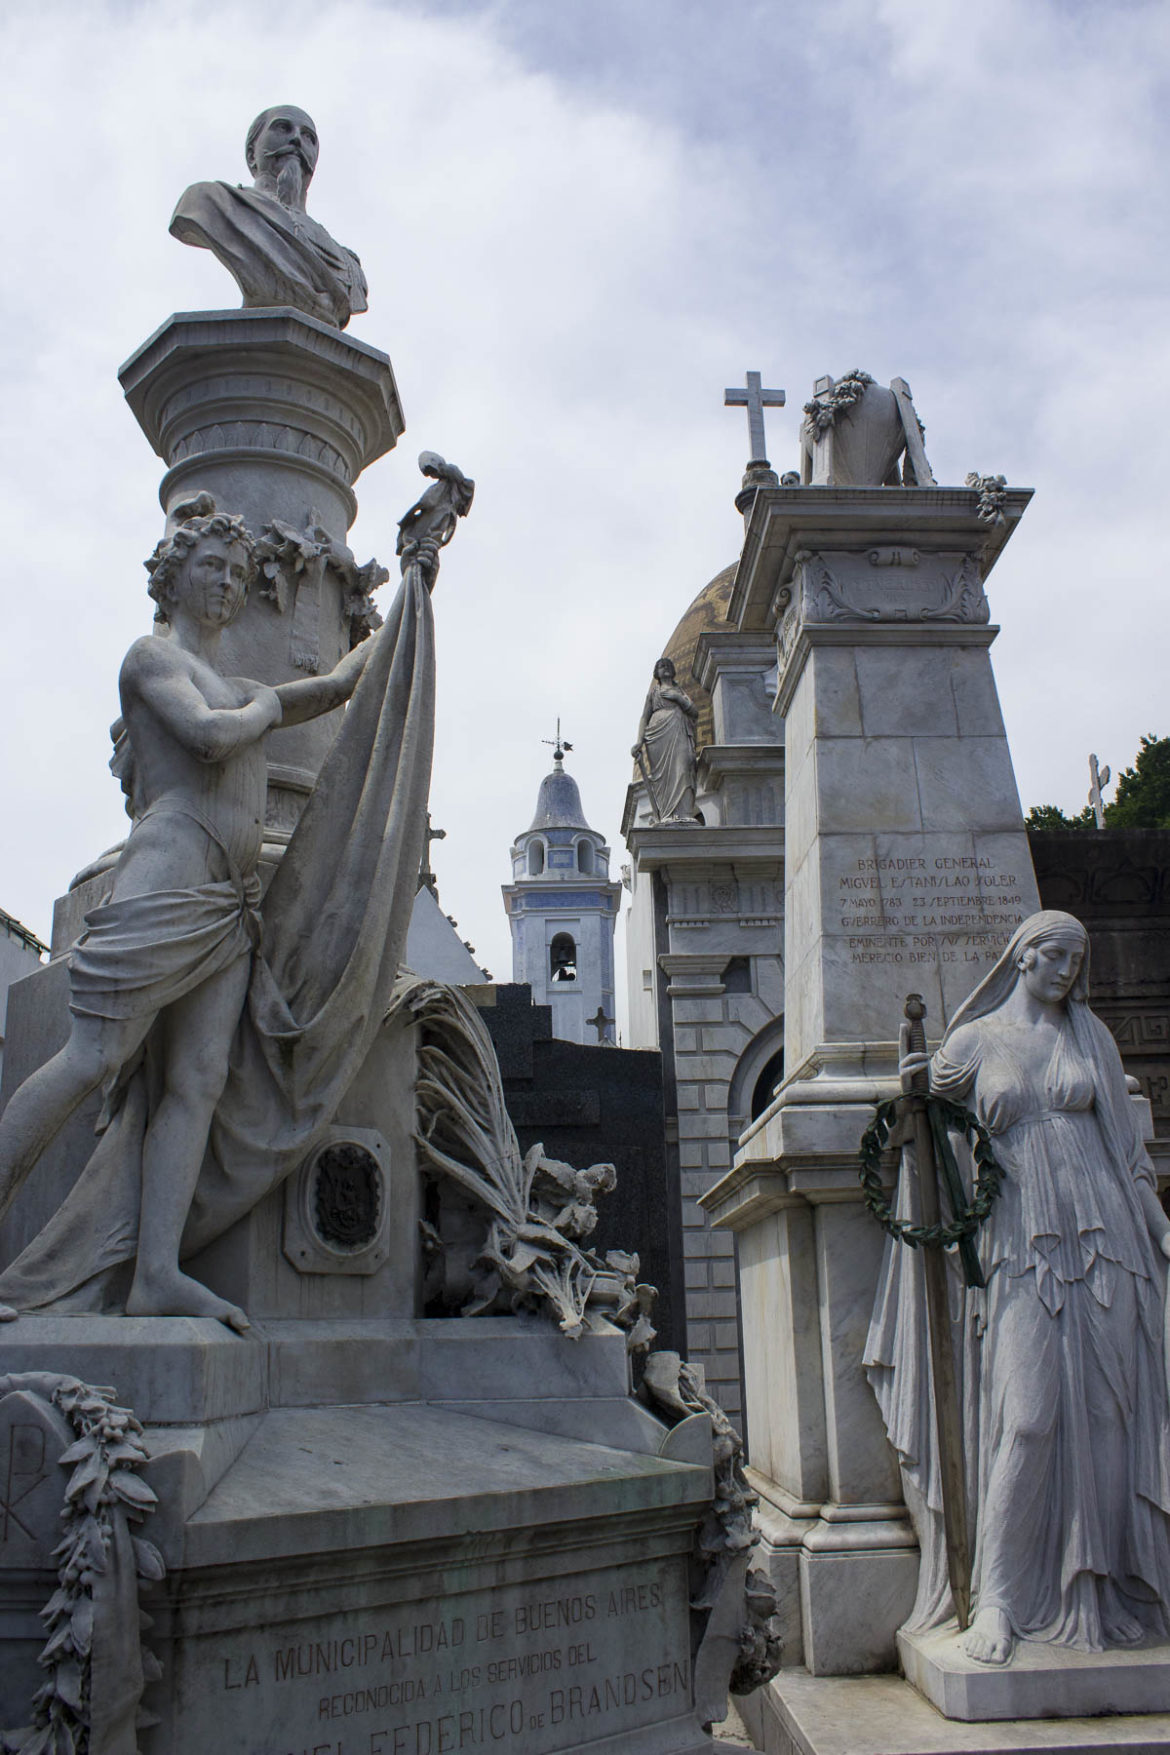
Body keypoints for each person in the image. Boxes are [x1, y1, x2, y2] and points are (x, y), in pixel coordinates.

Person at [0, 504, 395, 1330]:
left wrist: (410, 597)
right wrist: (263, 715)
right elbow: (212, 740)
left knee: (197, 1082)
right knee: (91, 1055)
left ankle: (155, 1273)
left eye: (235, 572)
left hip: (227, 900)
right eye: (210, 566)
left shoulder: (243, 686)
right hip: (167, 874)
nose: (226, 583)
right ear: (172, 576)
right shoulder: (152, 660)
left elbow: (329, 687)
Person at [866, 910, 1170, 1664]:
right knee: (1027, 1419)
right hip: (1019, 1239)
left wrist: (1161, 1229)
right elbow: (925, 1105)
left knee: (1109, 1419)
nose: (1067, 970)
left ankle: (1102, 1587)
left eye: (1078, 957)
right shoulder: (974, 1042)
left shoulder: (1090, 1038)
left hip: (1108, 1236)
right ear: (1022, 957)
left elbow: (1129, 1154)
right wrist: (910, 1086)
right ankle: (998, 1598)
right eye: (1055, 955)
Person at [170, 106, 368, 329]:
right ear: (251, 154)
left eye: (308, 137)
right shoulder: (211, 201)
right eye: (283, 128)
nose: (295, 139)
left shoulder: (348, 263)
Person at [631, 657, 700, 823]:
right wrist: (639, 741)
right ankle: (667, 815)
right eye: (661, 666)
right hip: (657, 738)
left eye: (668, 665)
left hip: (679, 731)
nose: (665, 668)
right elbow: (644, 717)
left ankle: (684, 814)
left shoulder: (679, 691)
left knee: (683, 768)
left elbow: (694, 712)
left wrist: (678, 698)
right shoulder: (653, 693)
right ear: (657, 672)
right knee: (663, 779)